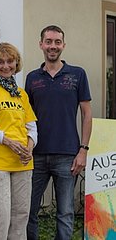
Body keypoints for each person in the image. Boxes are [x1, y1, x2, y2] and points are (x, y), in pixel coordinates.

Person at [25, 25, 92, 240]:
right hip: (36, 154)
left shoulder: (77, 74)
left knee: (65, 213)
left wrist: (83, 149)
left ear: (63, 45)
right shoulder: (32, 78)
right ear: (41, 44)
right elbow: (26, 117)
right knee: (29, 211)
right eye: (48, 41)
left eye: (57, 42)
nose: (52, 46)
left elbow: (86, 114)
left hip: (67, 154)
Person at [0, 42, 37, 239]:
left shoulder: (21, 93)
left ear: (16, 63)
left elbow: (32, 126)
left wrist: (29, 147)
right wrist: (9, 142)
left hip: (23, 161)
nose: (6, 66)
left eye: (10, 61)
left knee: (20, 217)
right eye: (0, 62)